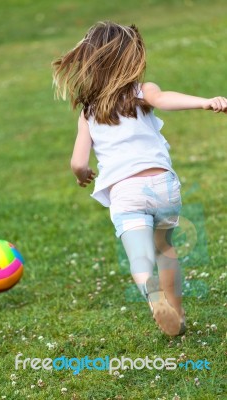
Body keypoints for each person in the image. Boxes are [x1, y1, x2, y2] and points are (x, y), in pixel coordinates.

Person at [52, 21, 227, 336]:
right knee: (166, 249)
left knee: (142, 258)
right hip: (162, 187)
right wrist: (203, 102)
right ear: (133, 60)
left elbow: (78, 161)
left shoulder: (88, 112)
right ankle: (177, 311)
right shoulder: (143, 92)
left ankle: (150, 289)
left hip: (126, 194)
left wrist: (84, 175)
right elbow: (165, 100)